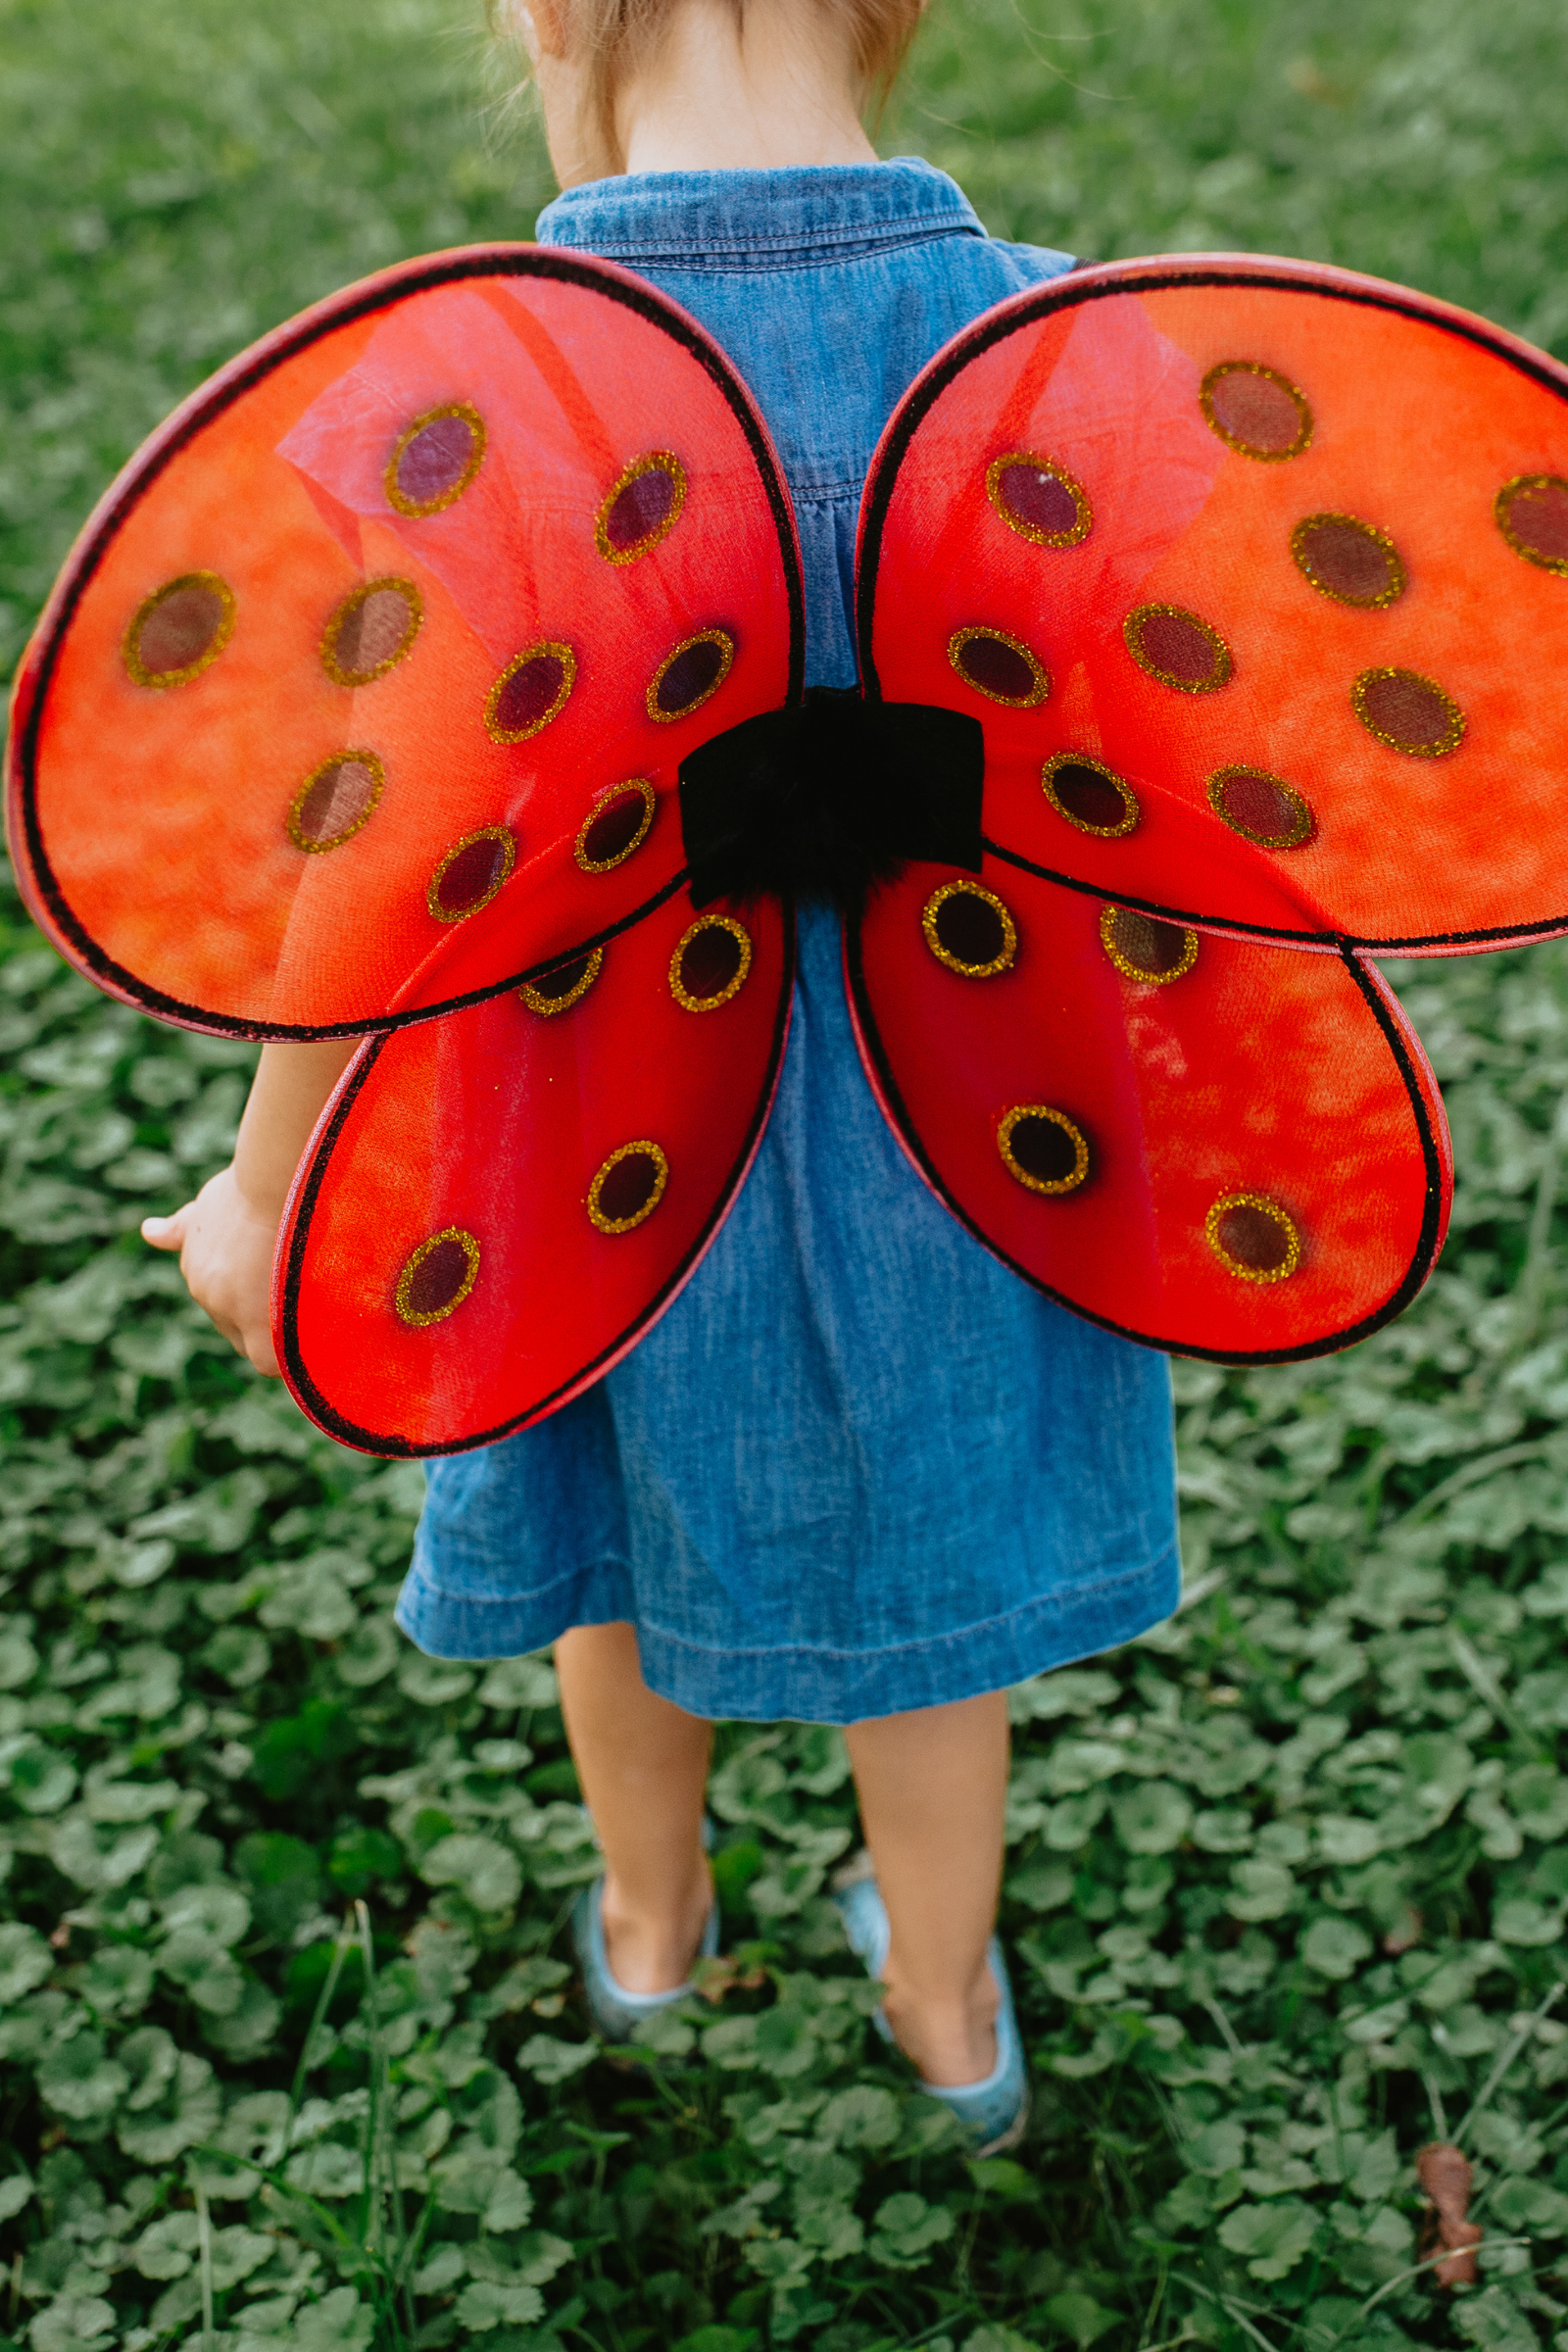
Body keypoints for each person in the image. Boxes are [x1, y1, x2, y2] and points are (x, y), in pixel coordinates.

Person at [142, 0, 1179, 2153]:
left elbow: (391, 841)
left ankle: (645, 1917)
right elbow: (1151, 789)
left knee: (607, 1530)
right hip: (943, 1112)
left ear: (535, 12)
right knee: (923, 1584)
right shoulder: (1053, 349)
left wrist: (263, 1188)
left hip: (594, 1131)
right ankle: (937, 1995)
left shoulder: (478, 381)